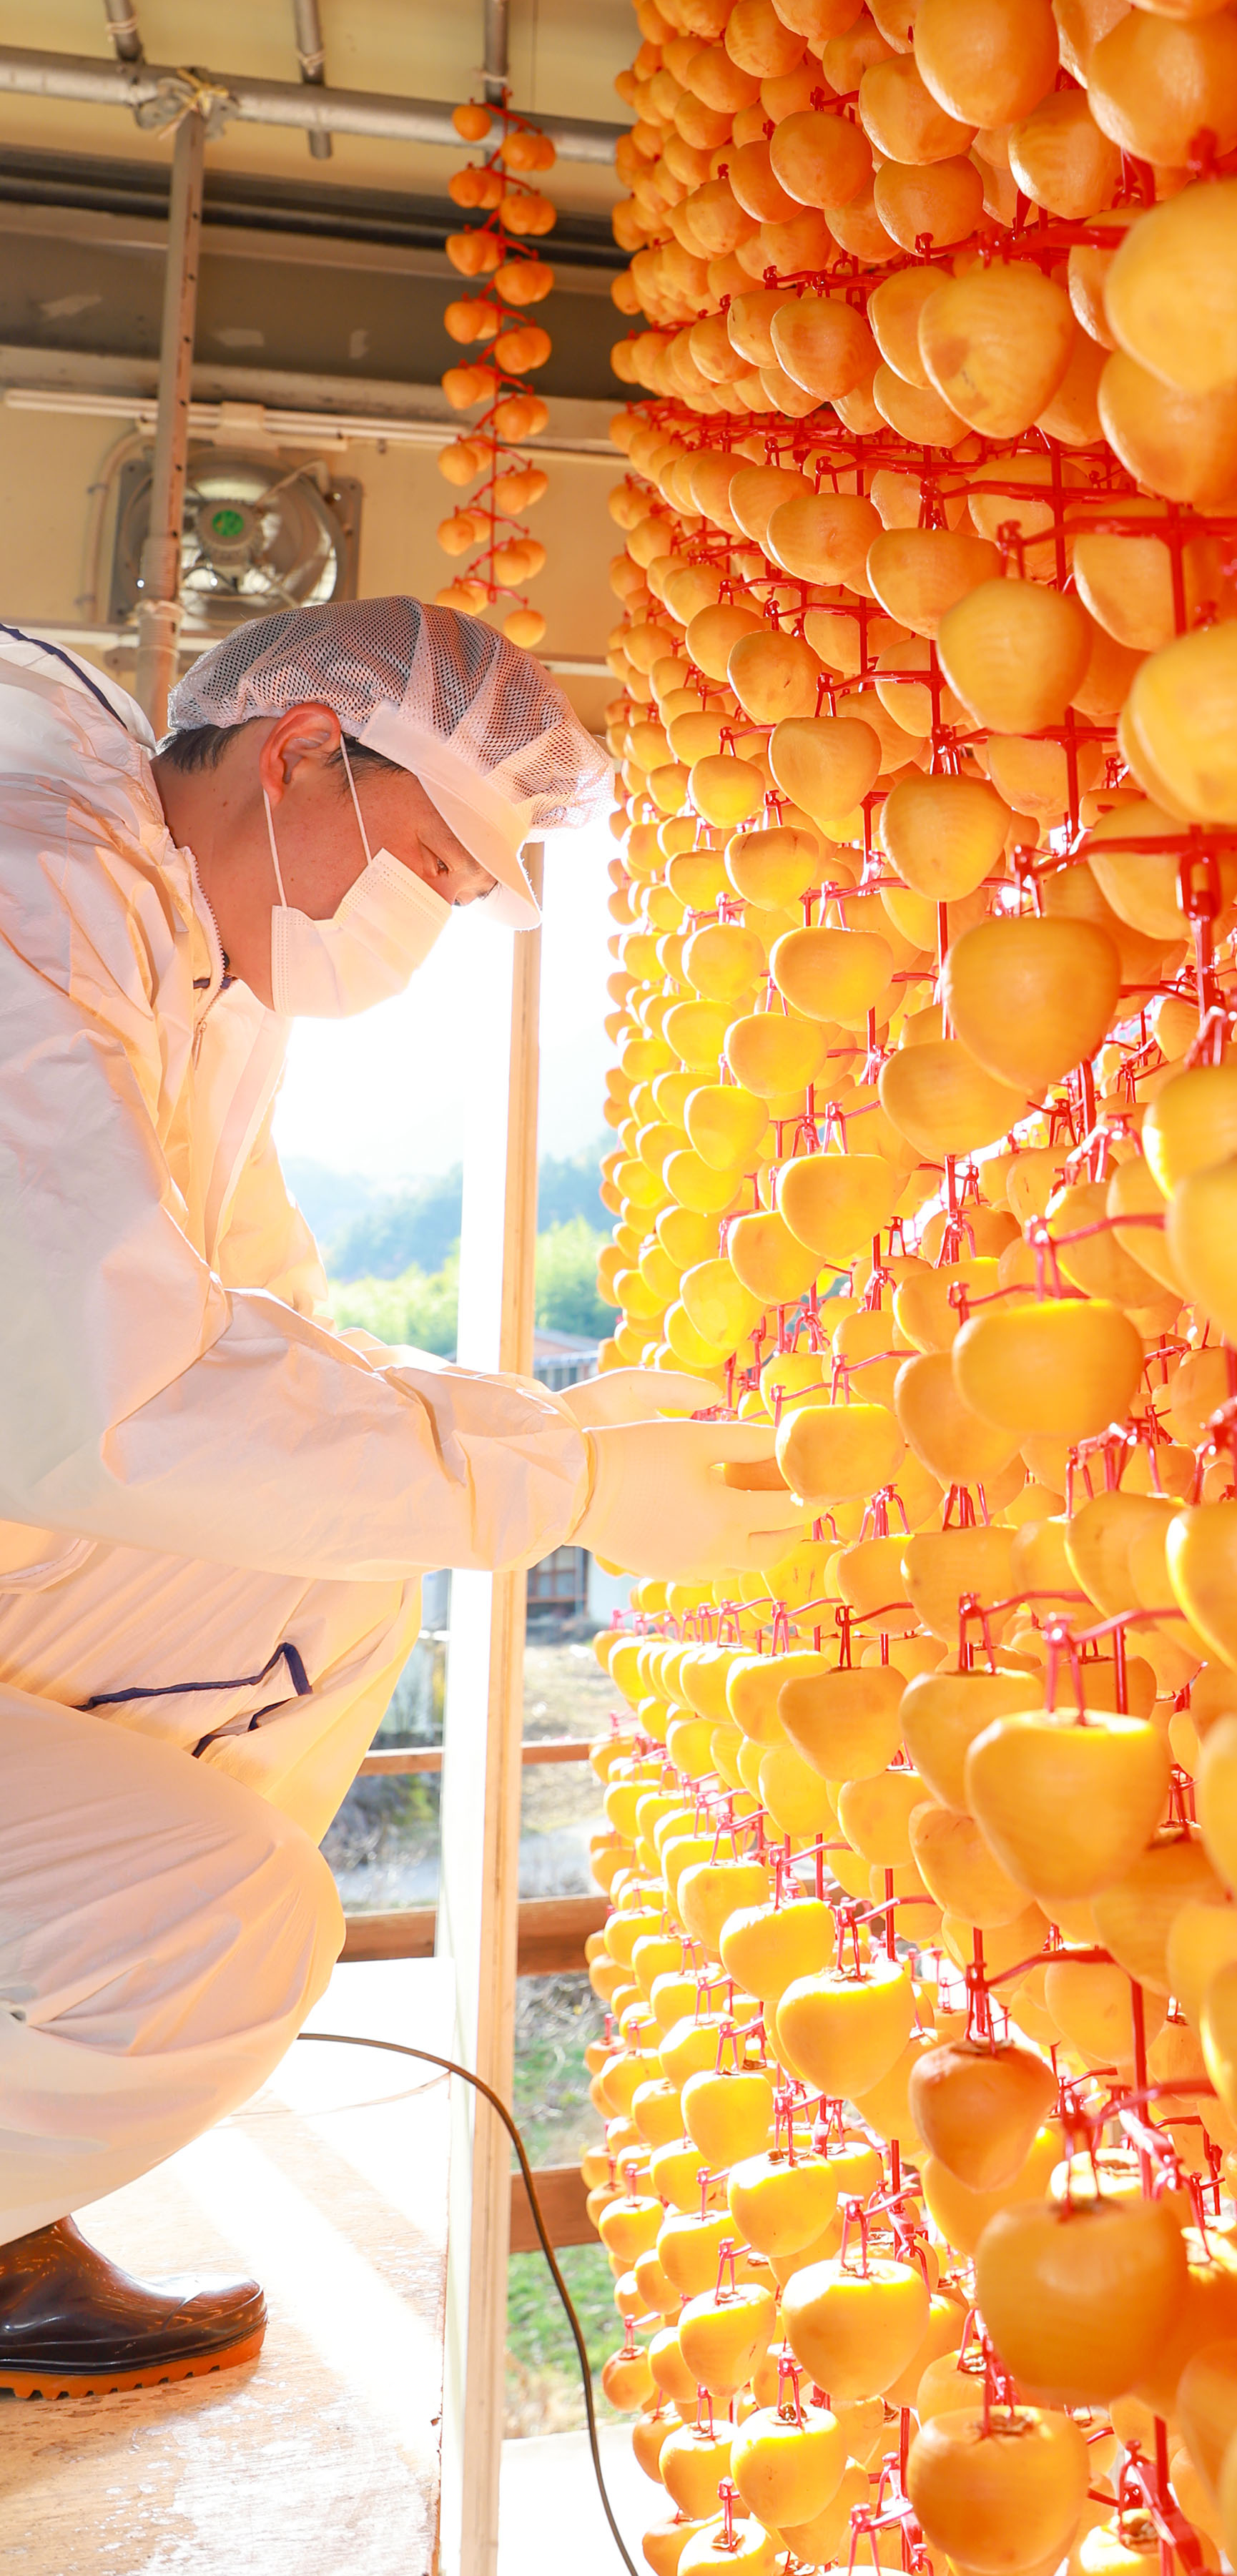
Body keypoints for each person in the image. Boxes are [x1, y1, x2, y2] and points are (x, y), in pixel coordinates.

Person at [0, 600, 788, 2398]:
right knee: (230, 1928)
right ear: (295, 755)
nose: (420, 935)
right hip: (40, 1472)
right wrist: (569, 1477)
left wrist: (545, 1422)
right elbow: (125, 1398)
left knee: (330, 1585)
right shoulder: (33, 898)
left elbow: (265, 1341)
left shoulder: (196, 959)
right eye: (428, 866)